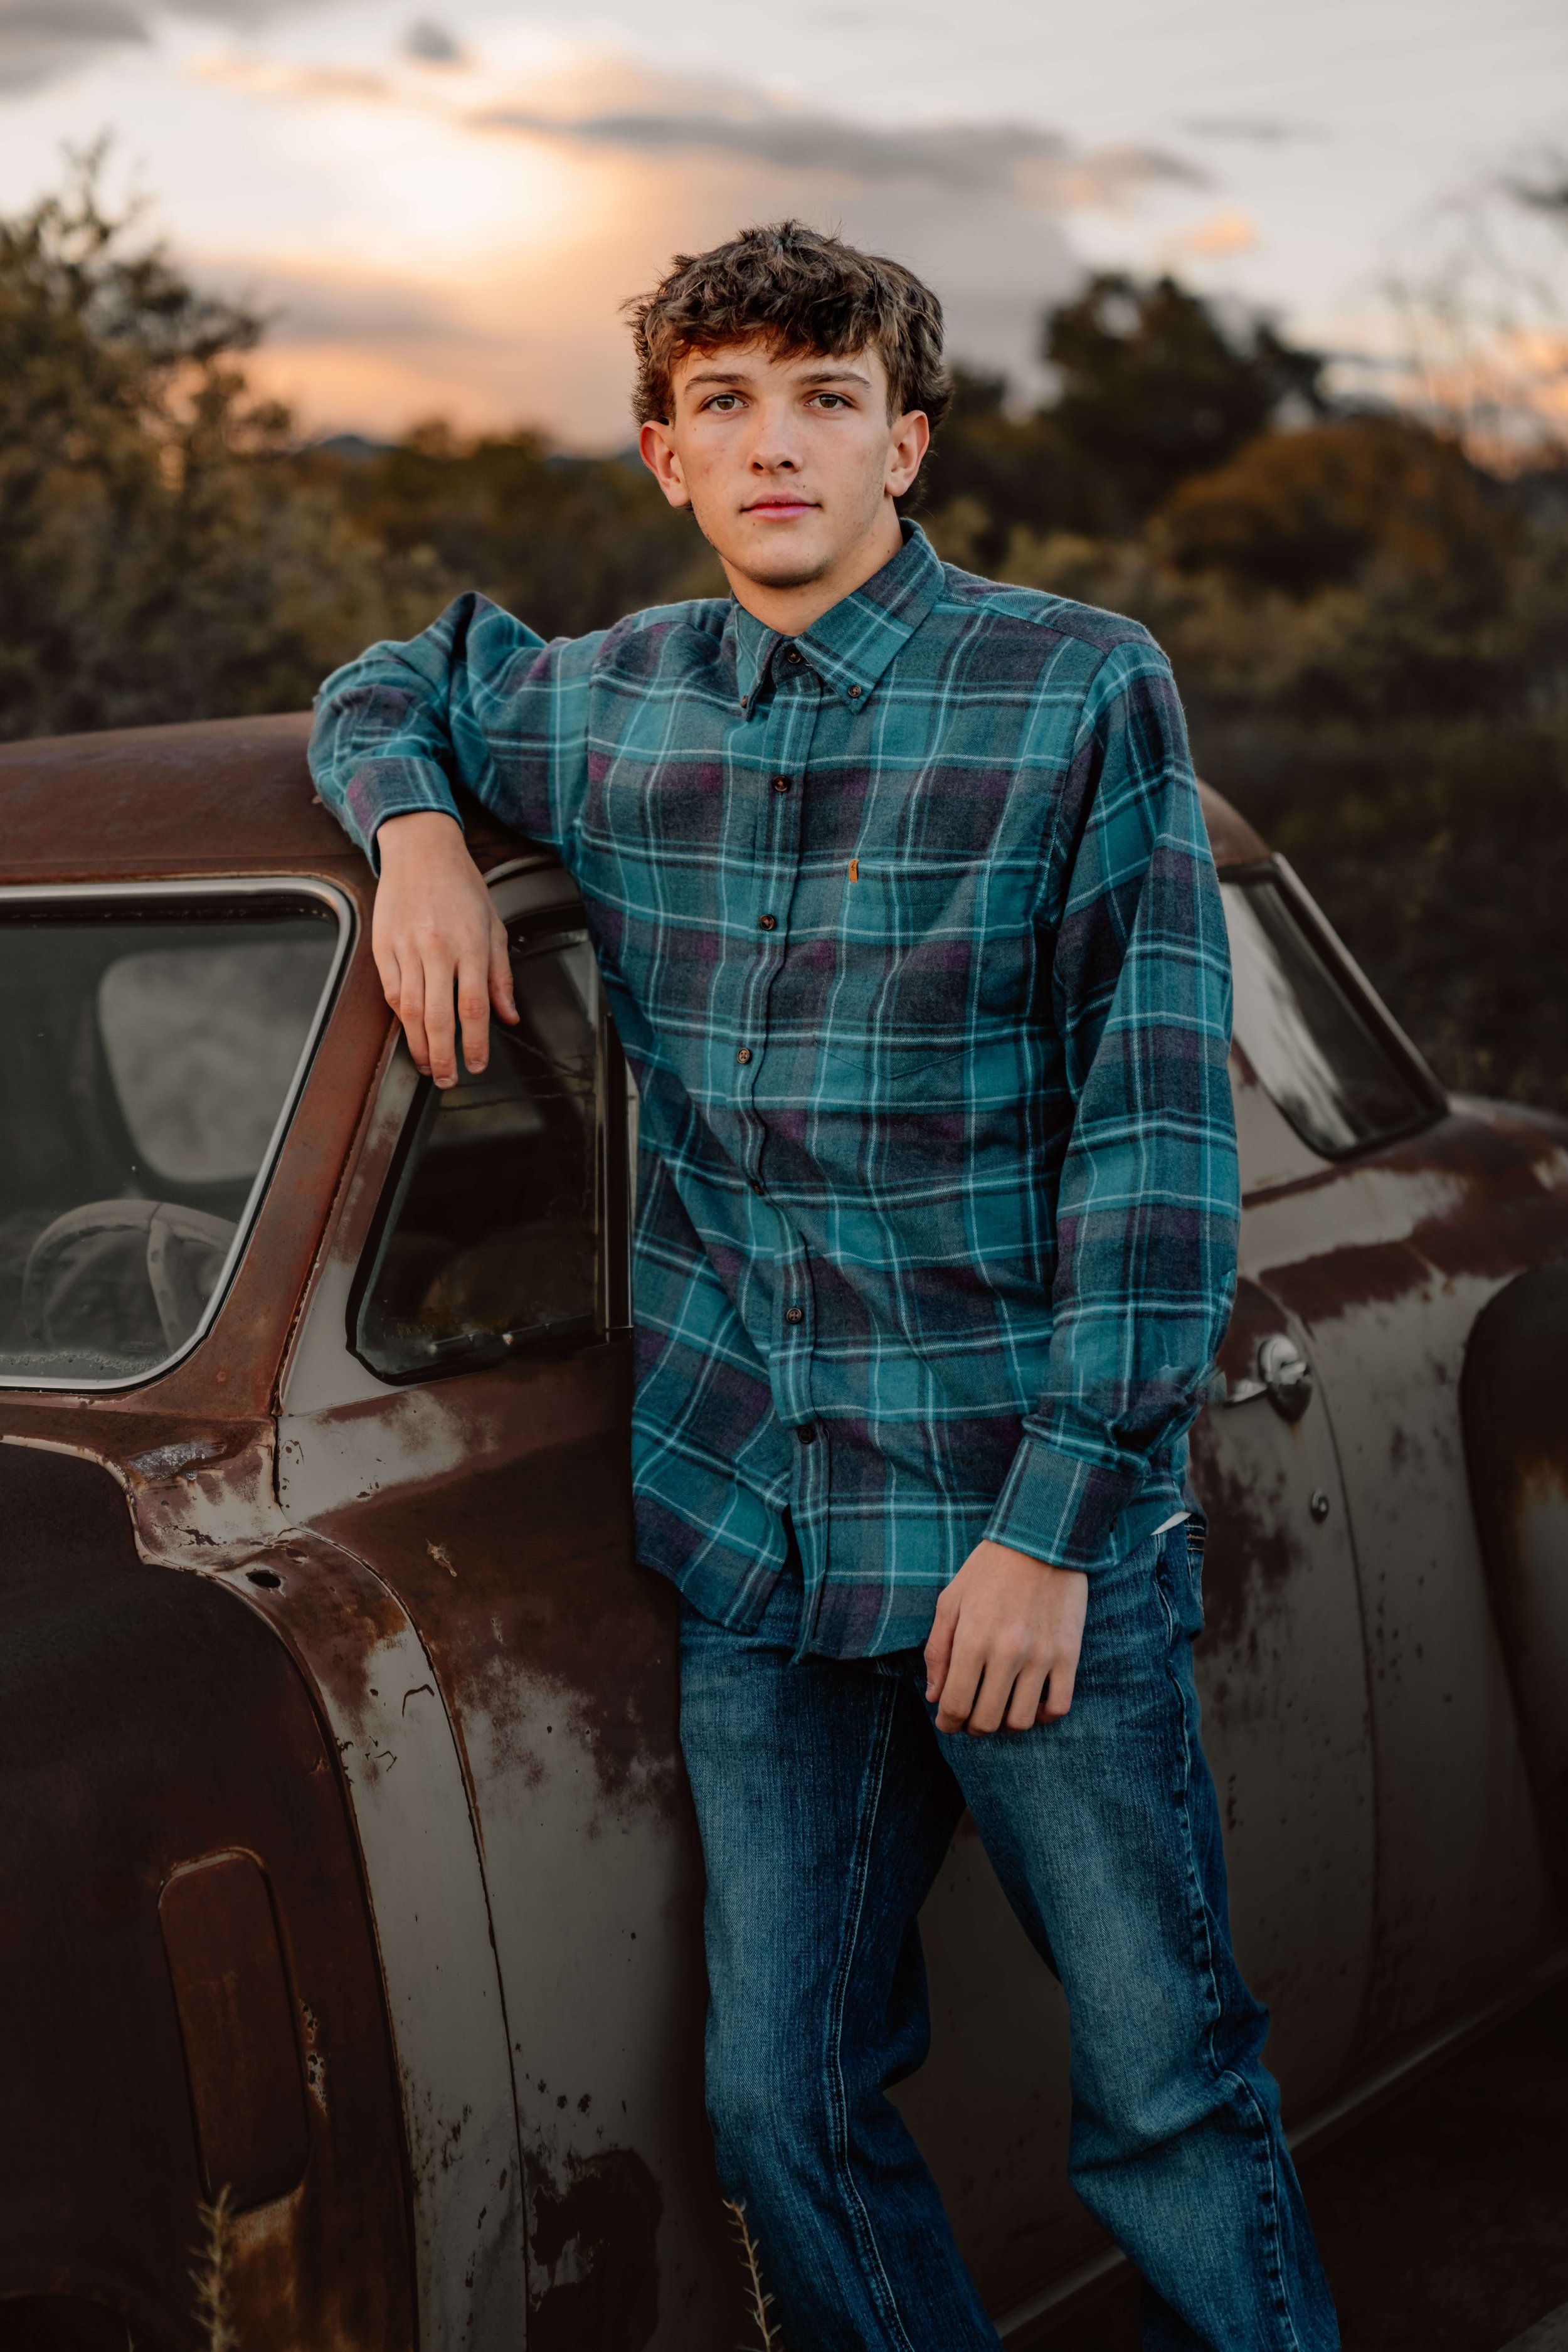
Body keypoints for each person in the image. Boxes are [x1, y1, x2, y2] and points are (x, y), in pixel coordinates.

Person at [309, 220, 1338, 2352]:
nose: (774, 443)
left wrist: (1053, 1530)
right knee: (779, 2104)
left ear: (907, 442)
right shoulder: (603, 709)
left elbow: (1154, 1141)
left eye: (824, 398)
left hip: (1009, 1532)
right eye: (724, 405)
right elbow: (396, 674)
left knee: (1159, 2093)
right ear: (667, 459)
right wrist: (412, 824)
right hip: (758, 1549)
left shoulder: (1073, 689)